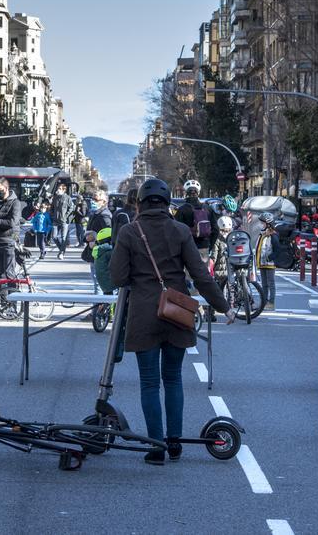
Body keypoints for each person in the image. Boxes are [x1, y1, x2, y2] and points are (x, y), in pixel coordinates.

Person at [109, 178, 231, 464]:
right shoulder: (179, 231)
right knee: (174, 378)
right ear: (167, 203)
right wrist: (224, 307)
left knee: (150, 383)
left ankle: (156, 446)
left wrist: (140, 279)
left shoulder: (129, 232)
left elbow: (117, 277)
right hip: (177, 313)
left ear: (139, 202)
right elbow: (201, 275)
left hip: (143, 315)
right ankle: (175, 443)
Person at [174, 180, 213, 254]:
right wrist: (210, 246)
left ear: (186, 192)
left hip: (187, 247)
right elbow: (215, 229)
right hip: (204, 247)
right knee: (203, 265)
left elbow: (176, 230)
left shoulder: (182, 209)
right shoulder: (208, 208)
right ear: (198, 192)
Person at [254, 212, 279, 310]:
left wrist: (270, 257)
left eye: (263, 223)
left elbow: (277, 250)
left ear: (268, 224)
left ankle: (271, 303)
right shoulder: (262, 234)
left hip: (269, 264)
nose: (261, 224)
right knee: (264, 284)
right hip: (262, 263)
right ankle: (264, 302)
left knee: (271, 283)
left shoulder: (273, 235)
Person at [50, 183, 73, 258]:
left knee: (63, 237)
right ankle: (61, 250)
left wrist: (66, 216)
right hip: (55, 220)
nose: (58, 190)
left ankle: (61, 253)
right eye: (58, 188)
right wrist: (52, 215)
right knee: (54, 236)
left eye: (60, 189)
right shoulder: (55, 197)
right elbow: (52, 207)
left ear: (64, 190)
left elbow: (71, 208)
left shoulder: (68, 198)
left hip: (64, 221)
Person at [209, 216, 233, 288]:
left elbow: (214, 257)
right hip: (233, 271)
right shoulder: (234, 238)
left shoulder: (217, 240)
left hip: (220, 274)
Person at [92, 227, 115, 294]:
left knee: (108, 300)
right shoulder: (108, 252)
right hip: (112, 283)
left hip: (104, 283)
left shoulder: (99, 250)